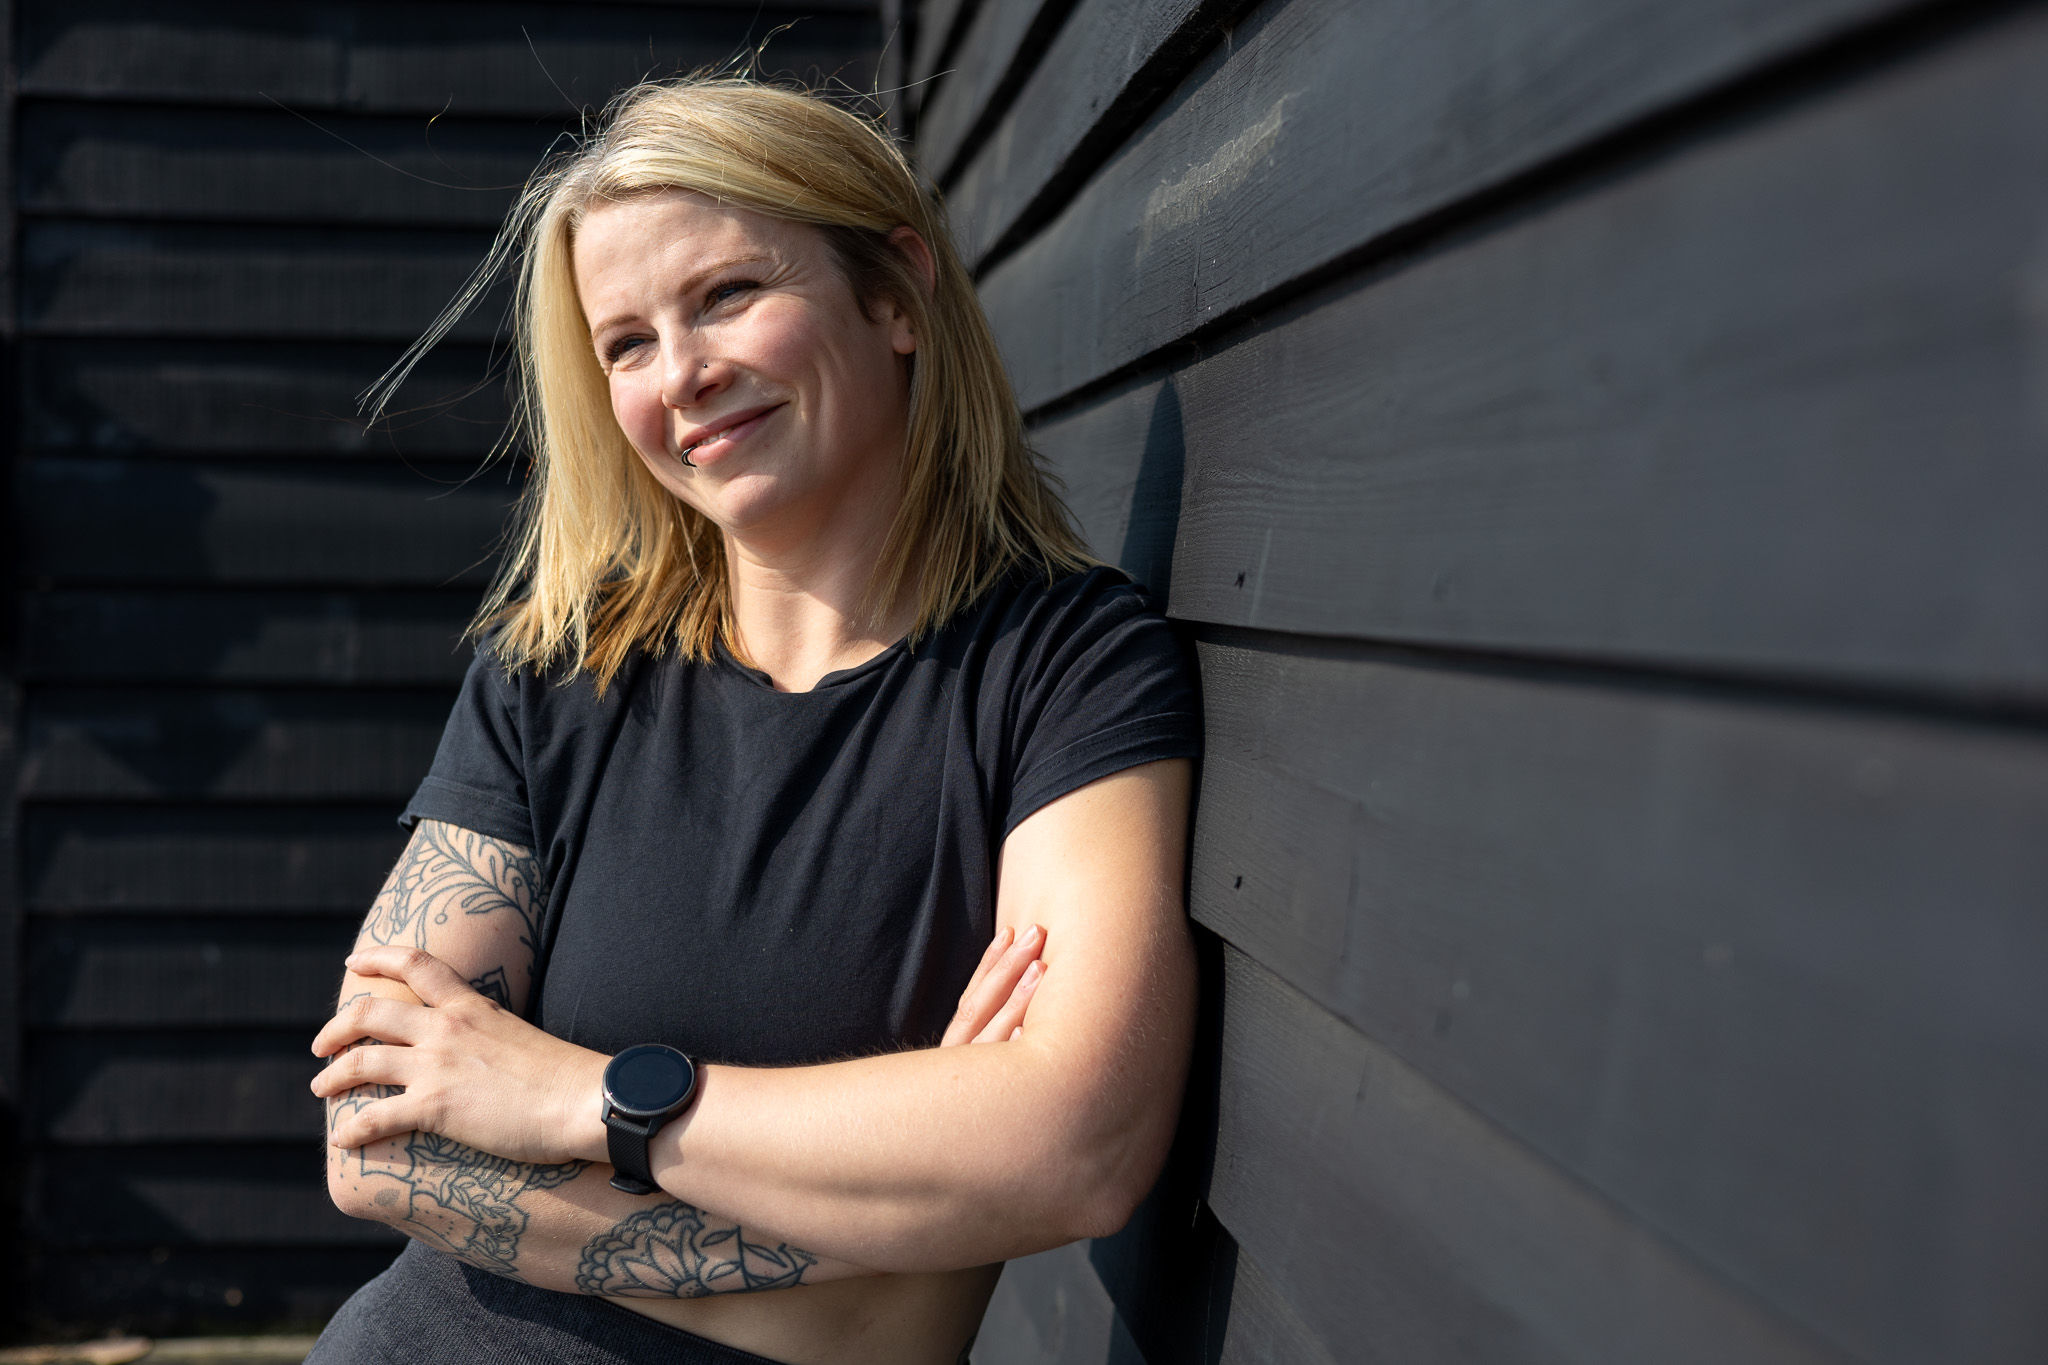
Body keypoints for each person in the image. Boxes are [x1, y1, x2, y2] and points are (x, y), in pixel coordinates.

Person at [304, 75, 1200, 1365]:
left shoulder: (1064, 668)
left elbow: (1077, 1147)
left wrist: (568, 1095)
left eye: (727, 295)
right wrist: (895, 1214)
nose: (685, 375)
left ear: (894, 292)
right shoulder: (556, 676)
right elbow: (378, 1141)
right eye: (625, 343)